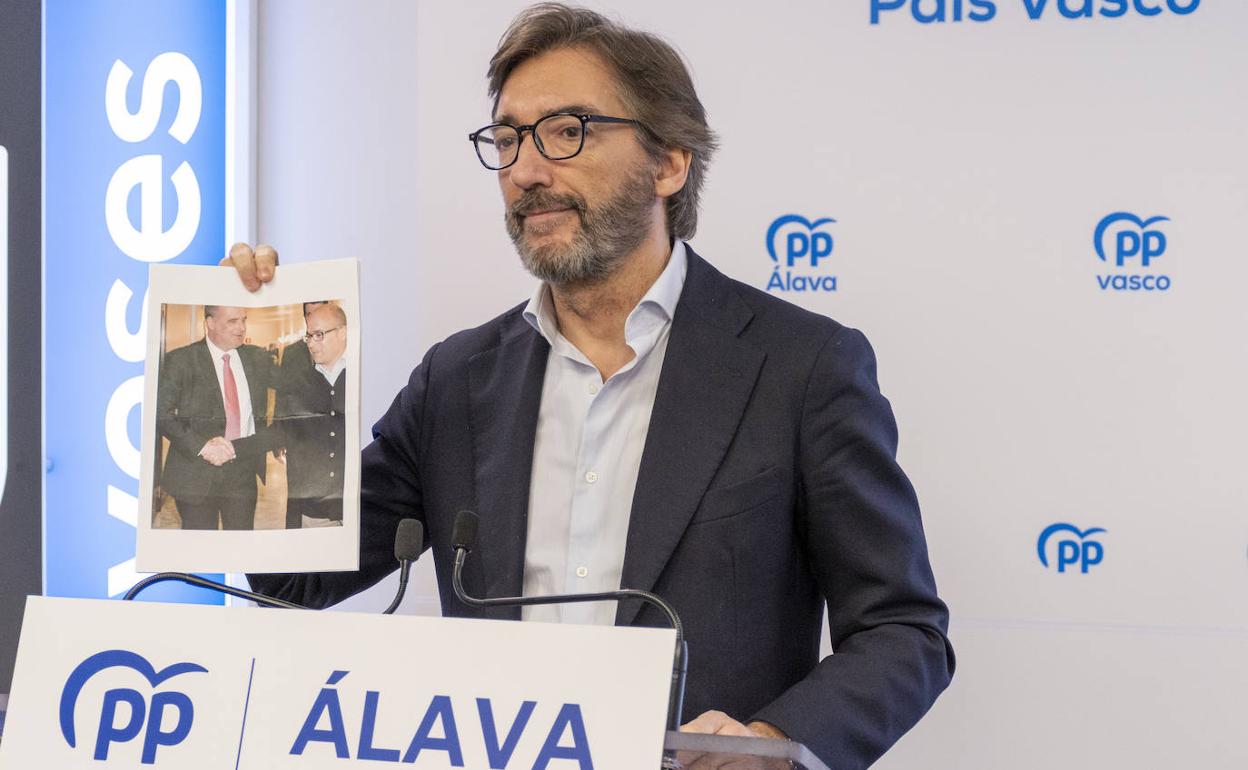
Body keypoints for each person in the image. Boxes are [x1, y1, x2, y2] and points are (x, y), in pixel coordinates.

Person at [242, 5, 953, 767]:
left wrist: (777, 742)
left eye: (567, 130)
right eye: (508, 139)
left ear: (669, 161)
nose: (526, 170)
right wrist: (261, 353)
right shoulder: (455, 381)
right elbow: (293, 574)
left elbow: (902, 630)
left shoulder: (802, 367)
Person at [156, 305, 276, 530]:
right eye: (232, 321)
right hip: (195, 474)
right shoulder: (182, 360)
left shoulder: (258, 358)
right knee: (201, 555)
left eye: (244, 319)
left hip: (242, 471)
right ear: (210, 323)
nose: (241, 327)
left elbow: (290, 389)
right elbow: (161, 413)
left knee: (239, 551)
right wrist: (203, 446)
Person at [276, 303, 348, 528]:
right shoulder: (297, 365)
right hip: (313, 499)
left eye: (320, 334)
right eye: (309, 336)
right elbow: (284, 406)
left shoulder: (357, 368)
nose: (312, 343)